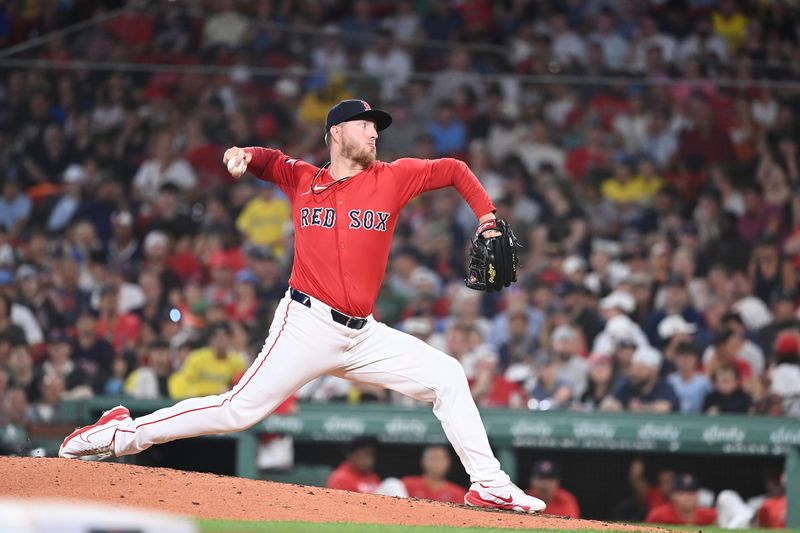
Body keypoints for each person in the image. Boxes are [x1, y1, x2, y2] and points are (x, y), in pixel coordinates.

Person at [58, 99, 546, 514]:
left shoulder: (394, 178)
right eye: (365, 124)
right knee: (236, 412)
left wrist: (487, 216)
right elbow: (268, 160)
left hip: (363, 335)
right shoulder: (304, 179)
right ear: (336, 133)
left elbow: (456, 170)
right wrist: (240, 153)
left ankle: (489, 484)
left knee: (447, 375)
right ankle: (119, 434)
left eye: (377, 126)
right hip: (306, 324)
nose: (374, 132)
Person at [400, 445, 465, 503]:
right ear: (423, 461)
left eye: (441, 459)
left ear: (448, 463)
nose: (437, 463)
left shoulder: (458, 493)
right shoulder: (406, 485)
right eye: (433, 458)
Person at [646, 473, 717, 526]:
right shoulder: (658, 515)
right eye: (682, 492)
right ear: (672, 495)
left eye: (691, 492)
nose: (688, 496)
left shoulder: (709, 515)